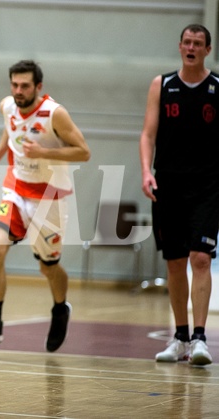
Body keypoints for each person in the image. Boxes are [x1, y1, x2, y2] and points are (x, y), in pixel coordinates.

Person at [0, 60, 90, 352]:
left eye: (25, 86)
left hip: (50, 198)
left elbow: (84, 152)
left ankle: (60, 308)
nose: (18, 90)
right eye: (14, 85)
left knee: (48, 267)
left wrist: (44, 152)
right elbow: (10, 132)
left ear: (38, 87)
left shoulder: (54, 114)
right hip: (15, 189)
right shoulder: (8, 106)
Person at [140, 24, 219, 366]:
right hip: (168, 183)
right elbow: (147, 135)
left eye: (197, 43)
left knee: (200, 258)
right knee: (175, 262)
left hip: (207, 185)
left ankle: (200, 339)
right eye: (187, 42)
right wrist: (146, 171)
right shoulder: (162, 85)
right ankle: (180, 337)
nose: (191, 47)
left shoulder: (217, 87)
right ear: (180, 46)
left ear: (207, 50)